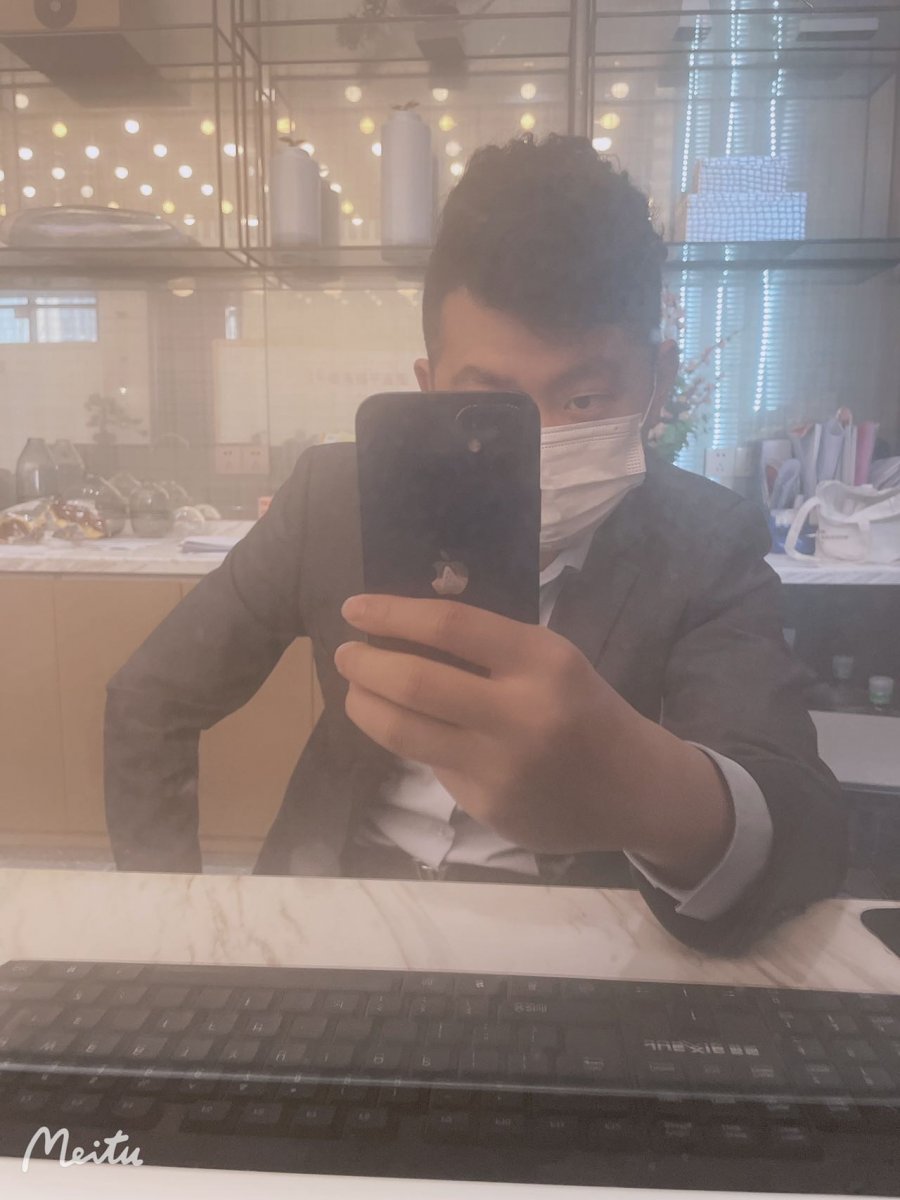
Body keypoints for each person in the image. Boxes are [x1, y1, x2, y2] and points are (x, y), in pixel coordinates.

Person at [105, 134, 846, 954]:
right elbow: (150, 697)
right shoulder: (333, 500)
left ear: (658, 385)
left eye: (584, 399)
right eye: (490, 406)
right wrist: (163, 923)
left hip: (580, 938)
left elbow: (802, 824)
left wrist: (651, 792)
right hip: (336, 908)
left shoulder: (706, 540)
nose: (541, 445)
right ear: (428, 389)